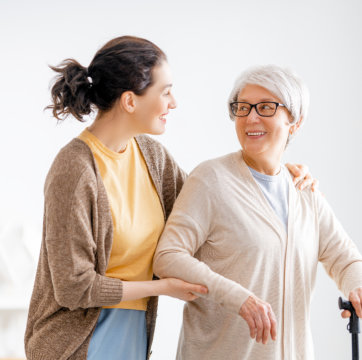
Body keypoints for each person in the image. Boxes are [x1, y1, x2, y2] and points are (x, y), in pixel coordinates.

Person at [24, 37, 315, 360]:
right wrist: (160, 288)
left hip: (131, 333)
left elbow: (215, 206)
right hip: (75, 343)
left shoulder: (151, 156)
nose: (173, 102)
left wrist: (274, 174)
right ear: (130, 101)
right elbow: (73, 287)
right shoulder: (75, 169)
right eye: (165, 92)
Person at [153, 65, 362, 360]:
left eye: (265, 107)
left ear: (295, 120)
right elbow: (168, 256)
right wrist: (238, 298)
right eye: (243, 107)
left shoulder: (304, 191)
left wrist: (357, 285)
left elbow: (345, 258)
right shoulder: (211, 180)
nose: (251, 117)